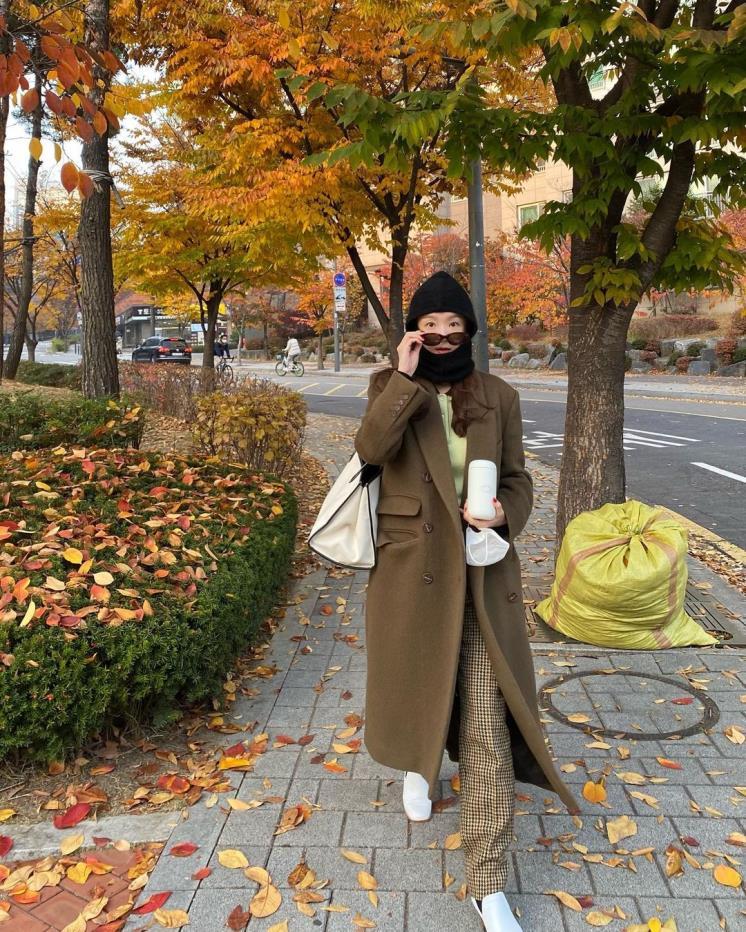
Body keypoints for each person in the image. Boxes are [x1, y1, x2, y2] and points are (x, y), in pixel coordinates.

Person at [354, 271, 578, 932]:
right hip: (411, 569)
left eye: (455, 329)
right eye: (431, 329)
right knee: (421, 690)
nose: (444, 338)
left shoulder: (499, 395)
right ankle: (419, 764)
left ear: (471, 332)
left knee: (486, 722)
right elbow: (371, 451)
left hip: (482, 573)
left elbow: (519, 478)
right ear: (413, 333)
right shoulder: (389, 386)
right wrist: (404, 378)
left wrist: (506, 511)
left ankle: (487, 882)